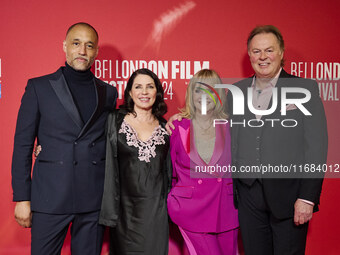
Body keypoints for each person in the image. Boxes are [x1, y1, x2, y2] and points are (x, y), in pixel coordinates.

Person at [11, 22, 117, 254]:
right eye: (76, 44)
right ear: (65, 46)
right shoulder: (39, 87)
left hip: (93, 199)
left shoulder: (108, 92)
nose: (82, 51)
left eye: (89, 46)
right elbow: (23, 144)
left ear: (96, 51)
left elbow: (112, 136)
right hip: (50, 197)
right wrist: (22, 198)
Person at [229, 25, 328, 254]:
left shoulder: (304, 89)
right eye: (256, 51)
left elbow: (316, 146)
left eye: (269, 50)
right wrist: (180, 118)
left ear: (281, 53)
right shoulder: (236, 91)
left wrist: (307, 197)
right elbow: (216, 126)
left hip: (290, 197)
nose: (262, 57)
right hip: (248, 196)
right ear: (249, 55)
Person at [99, 68, 172, 255]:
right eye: (138, 87)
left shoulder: (166, 127)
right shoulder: (114, 121)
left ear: (158, 91)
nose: (144, 92)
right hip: (124, 213)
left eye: (150, 86)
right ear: (130, 92)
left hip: (156, 212)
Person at [167, 69, 239, 255]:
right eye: (199, 89)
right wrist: (175, 200)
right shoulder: (178, 127)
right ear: (191, 93)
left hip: (226, 209)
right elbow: (171, 172)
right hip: (192, 211)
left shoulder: (231, 126)